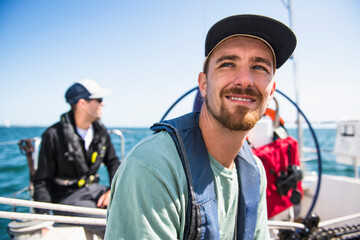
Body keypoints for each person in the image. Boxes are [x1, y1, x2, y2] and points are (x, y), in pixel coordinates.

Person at [105, 14, 296, 240]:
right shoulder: (152, 167)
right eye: (228, 64)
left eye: (259, 67)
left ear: (271, 91)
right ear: (204, 85)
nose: (245, 79)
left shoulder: (255, 171)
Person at [33, 79, 120, 237]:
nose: (103, 104)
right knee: (114, 224)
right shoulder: (53, 136)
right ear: (82, 103)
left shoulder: (101, 132)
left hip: (96, 191)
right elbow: (42, 181)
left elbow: (113, 162)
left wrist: (111, 190)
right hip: (67, 199)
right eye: (99, 100)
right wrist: (43, 220)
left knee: (133, 209)